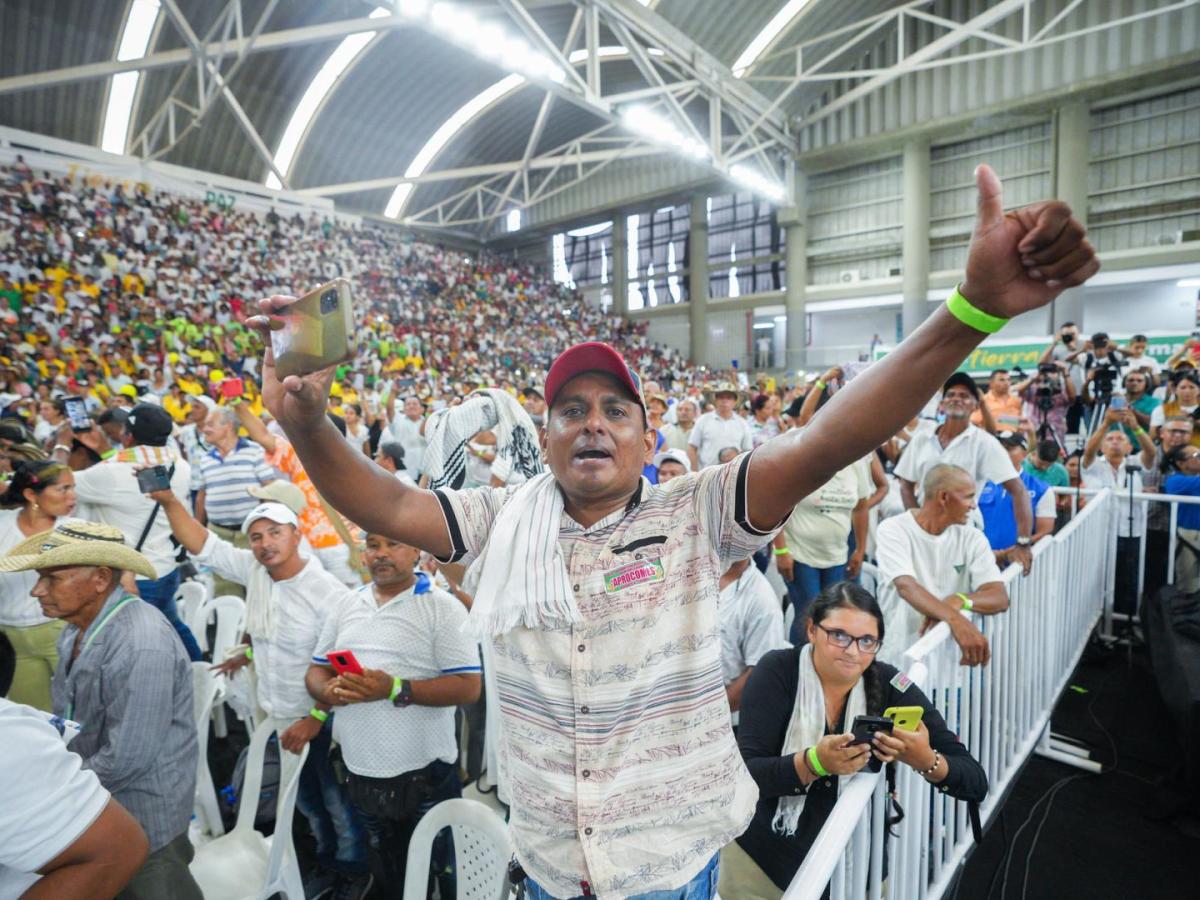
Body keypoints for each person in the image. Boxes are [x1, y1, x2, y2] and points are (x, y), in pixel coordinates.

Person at [249, 165, 1095, 899]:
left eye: (616, 410)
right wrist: (310, 425)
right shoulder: (503, 518)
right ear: (543, 442)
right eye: (570, 411)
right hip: (547, 860)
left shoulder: (696, 511)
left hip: (665, 864)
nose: (593, 424)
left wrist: (969, 314)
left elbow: (827, 436)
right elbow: (388, 507)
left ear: (648, 443)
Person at [146, 490, 371, 895]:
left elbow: (342, 667)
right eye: (256, 537)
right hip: (278, 710)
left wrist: (315, 718)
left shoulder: (326, 592)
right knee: (303, 799)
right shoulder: (257, 572)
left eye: (275, 533)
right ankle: (325, 860)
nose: (265, 544)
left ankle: (355, 871)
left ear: (296, 534)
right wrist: (168, 502)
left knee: (334, 798)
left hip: (318, 719)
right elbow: (205, 544)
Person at [725, 583, 987, 898]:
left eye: (867, 641)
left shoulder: (891, 684)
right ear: (811, 630)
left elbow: (974, 780)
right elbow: (746, 777)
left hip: (857, 869)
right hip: (764, 868)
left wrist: (926, 760)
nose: (852, 651)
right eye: (839, 635)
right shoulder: (777, 670)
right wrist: (814, 763)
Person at [0, 519, 201, 900]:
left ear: (100, 579)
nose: (36, 590)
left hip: (144, 816)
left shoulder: (142, 643)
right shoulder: (76, 628)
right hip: (99, 813)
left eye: (52, 578)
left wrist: (52, 789)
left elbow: (127, 759)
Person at [306, 533, 482, 899]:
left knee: (442, 869)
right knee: (387, 869)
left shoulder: (441, 608)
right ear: (363, 553)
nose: (382, 553)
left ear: (417, 549)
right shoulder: (347, 604)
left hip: (425, 775)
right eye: (373, 545)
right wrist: (329, 692)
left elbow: (468, 687)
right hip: (360, 771)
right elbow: (316, 671)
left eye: (394, 544)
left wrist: (394, 689)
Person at [65, 403, 202, 660]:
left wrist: (63, 445)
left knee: (134, 646)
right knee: (172, 626)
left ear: (126, 436)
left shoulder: (110, 474)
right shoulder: (179, 465)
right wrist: (106, 451)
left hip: (133, 580)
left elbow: (60, 483)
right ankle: (200, 673)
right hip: (166, 569)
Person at [0, 687, 149, 899]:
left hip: (120, 805)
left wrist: (70, 777)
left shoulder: (148, 654)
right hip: (77, 804)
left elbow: (130, 754)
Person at [895, 373, 1035, 573]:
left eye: (964, 396)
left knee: (959, 591)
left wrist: (1023, 543)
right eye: (951, 394)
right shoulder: (922, 439)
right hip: (923, 534)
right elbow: (905, 484)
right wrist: (917, 520)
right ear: (941, 404)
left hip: (963, 531)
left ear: (975, 405)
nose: (956, 399)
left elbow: (1019, 491)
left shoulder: (984, 443)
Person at [876, 465, 1010, 666]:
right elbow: (906, 587)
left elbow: (999, 597)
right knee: (903, 696)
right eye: (968, 497)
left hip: (949, 662)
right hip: (900, 656)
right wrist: (956, 620)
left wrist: (959, 599)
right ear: (944, 497)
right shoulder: (894, 529)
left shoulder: (972, 537)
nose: (974, 505)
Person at [0, 460, 76, 709]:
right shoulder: (2, 525)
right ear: (31, 494)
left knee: (81, 712)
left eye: (72, 488)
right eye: (63, 489)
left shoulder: (75, 531)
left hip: (65, 634)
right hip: (13, 642)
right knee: (37, 717)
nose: (72, 496)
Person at [772, 455, 871, 644]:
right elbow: (779, 502)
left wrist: (860, 549)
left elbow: (861, 507)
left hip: (838, 555)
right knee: (809, 617)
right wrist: (781, 551)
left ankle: (822, 670)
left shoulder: (857, 461)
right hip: (800, 555)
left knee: (833, 619)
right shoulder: (805, 454)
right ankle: (798, 667)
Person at [190, 405, 275, 597]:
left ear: (228, 426)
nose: (205, 429)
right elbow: (202, 496)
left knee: (259, 588)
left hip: (251, 534)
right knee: (226, 592)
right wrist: (197, 527)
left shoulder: (254, 450)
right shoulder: (204, 458)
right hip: (219, 534)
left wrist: (268, 527)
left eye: (210, 424)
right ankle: (231, 627)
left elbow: (269, 489)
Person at [1081, 409, 1157, 617]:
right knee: (1098, 578)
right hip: (1099, 532)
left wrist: (1135, 427)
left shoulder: (1135, 463)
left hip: (1130, 532)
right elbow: (1088, 452)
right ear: (1102, 446)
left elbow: (1151, 453)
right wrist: (1105, 424)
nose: (1115, 442)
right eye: (1110, 439)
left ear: (1129, 446)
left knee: (1128, 578)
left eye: (1120, 438)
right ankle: (1097, 618)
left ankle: (1124, 618)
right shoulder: (1093, 465)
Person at [717, 558, 789, 720]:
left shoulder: (763, 602)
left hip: (722, 719)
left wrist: (704, 714)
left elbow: (759, 676)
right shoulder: (685, 572)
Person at [977, 433, 1056, 566]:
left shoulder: (1041, 489)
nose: (1002, 452)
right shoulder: (980, 483)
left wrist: (1011, 551)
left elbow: (1045, 531)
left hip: (1016, 564)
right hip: (981, 560)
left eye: (1009, 448)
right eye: (999, 447)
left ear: (1024, 454)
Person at [1143, 415, 1196, 602]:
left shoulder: (1194, 458)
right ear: (1161, 433)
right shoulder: (1148, 455)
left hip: (1183, 530)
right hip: (1150, 527)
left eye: (1184, 432)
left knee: (1183, 582)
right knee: (1150, 579)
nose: (1178, 435)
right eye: (1174, 430)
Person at [688, 383, 753, 470]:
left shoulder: (742, 423)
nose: (724, 401)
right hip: (707, 474)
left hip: (733, 474)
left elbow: (747, 451)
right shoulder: (703, 420)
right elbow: (692, 447)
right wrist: (694, 473)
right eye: (721, 397)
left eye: (729, 398)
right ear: (715, 400)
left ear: (735, 402)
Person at [1165, 445, 1200, 591]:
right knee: (1189, 586)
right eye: (1197, 456)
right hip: (1188, 537)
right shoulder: (1175, 481)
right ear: (1180, 463)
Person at [1121, 370, 1161, 441]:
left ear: (1146, 384)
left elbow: (1154, 423)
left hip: (1140, 446)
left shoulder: (1155, 402)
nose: (1134, 383)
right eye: (1131, 380)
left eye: (1139, 381)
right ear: (1124, 383)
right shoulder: (1115, 400)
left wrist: (1133, 411)